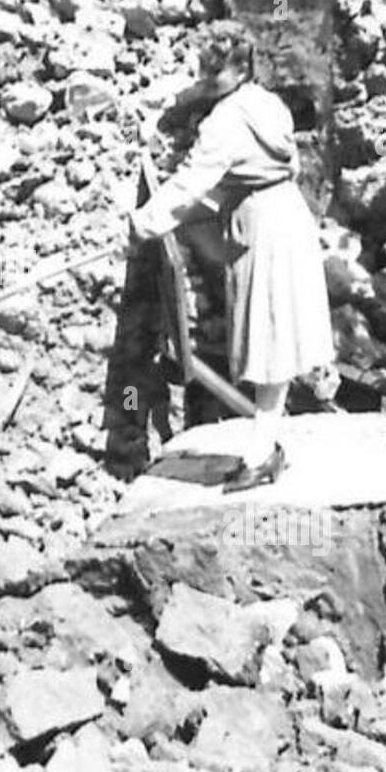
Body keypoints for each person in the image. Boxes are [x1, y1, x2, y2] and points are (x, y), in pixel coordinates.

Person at [128, 25, 335, 493]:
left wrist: (145, 222)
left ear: (241, 68)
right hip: (285, 214)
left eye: (215, 71)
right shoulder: (268, 104)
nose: (205, 78)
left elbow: (191, 180)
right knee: (276, 334)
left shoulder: (225, 121)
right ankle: (266, 444)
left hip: (263, 226)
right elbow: (277, 167)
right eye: (202, 68)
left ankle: (262, 453)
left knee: (269, 337)